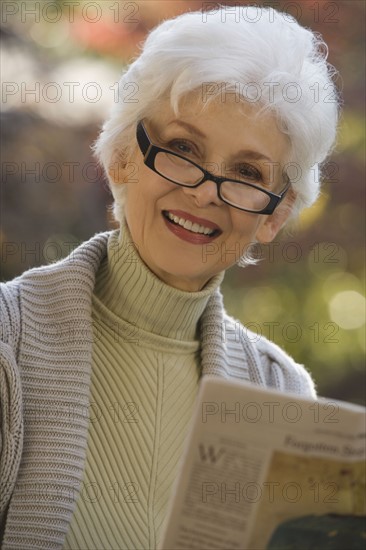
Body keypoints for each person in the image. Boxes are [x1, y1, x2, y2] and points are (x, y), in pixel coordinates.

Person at [0, 5, 339, 550]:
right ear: (123, 157)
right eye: (183, 149)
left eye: (248, 173)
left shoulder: (283, 393)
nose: (206, 191)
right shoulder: (6, 343)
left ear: (274, 214)